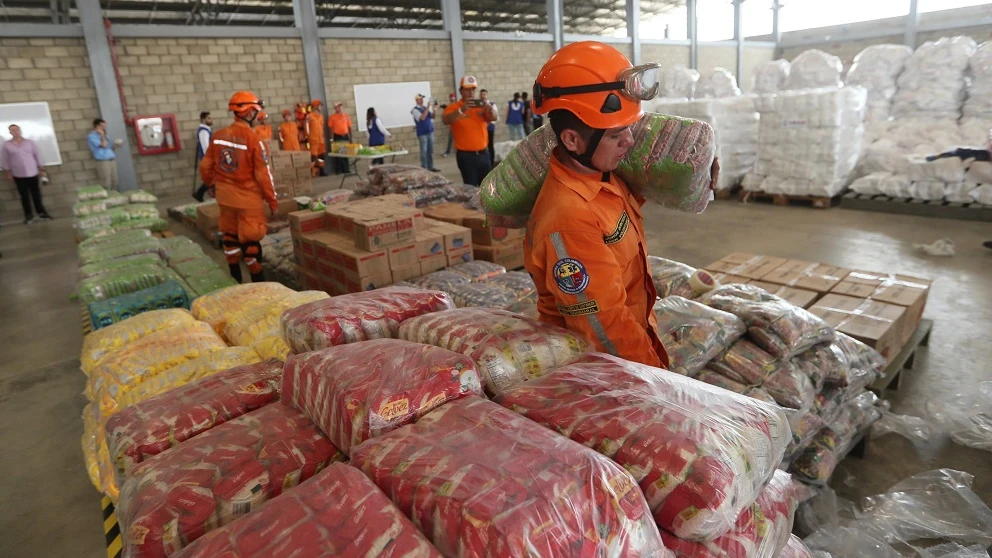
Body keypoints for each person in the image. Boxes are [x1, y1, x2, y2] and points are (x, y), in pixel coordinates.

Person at [523, 41, 719, 368]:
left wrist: (699, 169)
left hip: (639, 334)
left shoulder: (602, 174)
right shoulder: (569, 220)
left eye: (630, 128)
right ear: (572, 139)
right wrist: (659, 381)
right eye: (616, 135)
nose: (629, 141)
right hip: (608, 371)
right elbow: (605, 329)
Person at [199, 91, 277, 284]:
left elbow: (205, 166)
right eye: (255, 111)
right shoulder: (254, 140)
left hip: (225, 198)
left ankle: (235, 282)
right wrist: (272, 200)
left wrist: (211, 184)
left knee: (231, 239)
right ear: (249, 112)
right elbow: (263, 175)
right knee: (251, 244)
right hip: (248, 201)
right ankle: (259, 286)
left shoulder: (217, 136)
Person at [443, 77, 498, 186]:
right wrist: (461, 110)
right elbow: (446, 120)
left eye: (473, 89)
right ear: (461, 91)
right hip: (466, 157)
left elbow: (494, 118)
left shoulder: (480, 106)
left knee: (487, 188)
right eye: (468, 90)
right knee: (470, 188)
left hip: (484, 154)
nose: (471, 92)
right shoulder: (453, 107)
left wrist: (490, 110)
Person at [2, 124, 51, 224]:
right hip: (18, 174)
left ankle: (42, 213)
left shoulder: (30, 143)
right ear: (10, 132)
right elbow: (5, 159)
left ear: (20, 131)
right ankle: (28, 215)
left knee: (36, 194)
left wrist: (42, 169)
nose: (15, 131)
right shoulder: (7, 145)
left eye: (17, 129)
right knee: (24, 196)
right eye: (13, 130)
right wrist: (8, 173)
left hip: (32, 172)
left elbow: (37, 155)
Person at [87, 118, 121, 190]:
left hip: (111, 159)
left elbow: (109, 148)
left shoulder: (106, 136)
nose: (104, 128)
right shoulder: (92, 136)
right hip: (103, 161)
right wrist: (102, 135)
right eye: (103, 126)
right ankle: (107, 197)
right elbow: (103, 145)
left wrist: (116, 145)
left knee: (114, 180)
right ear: (97, 126)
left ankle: (115, 196)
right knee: (106, 182)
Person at [411, 94, 439, 172]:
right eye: (420, 99)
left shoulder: (424, 108)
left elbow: (433, 117)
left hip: (430, 131)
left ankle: (431, 166)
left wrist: (435, 109)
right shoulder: (414, 110)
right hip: (422, 133)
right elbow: (422, 118)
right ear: (416, 100)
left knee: (430, 150)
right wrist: (427, 107)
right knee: (424, 150)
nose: (422, 100)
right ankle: (424, 167)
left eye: (422, 99)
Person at [192, 111, 213, 201]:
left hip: (207, 158)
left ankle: (200, 193)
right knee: (212, 178)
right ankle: (199, 193)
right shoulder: (203, 131)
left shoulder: (206, 130)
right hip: (207, 158)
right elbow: (206, 147)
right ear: (203, 120)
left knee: (212, 178)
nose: (210, 120)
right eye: (208, 118)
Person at [328, 102, 352, 174]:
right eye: (338, 107)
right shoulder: (332, 117)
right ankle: (339, 170)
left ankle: (346, 169)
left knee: (346, 153)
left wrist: (350, 137)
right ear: (335, 108)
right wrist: (331, 138)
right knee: (339, 153)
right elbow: (330, 128)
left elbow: (349, 127)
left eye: (340, 107)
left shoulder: (346, 116)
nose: (340, 108)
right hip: (337, 136)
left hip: (345, 136)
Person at [307, 99, 327, 176]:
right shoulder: (309, 116)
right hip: (313, 140)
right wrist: (309, 138)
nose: (321, 107)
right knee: (313, 157)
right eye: (320, 105)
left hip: (321, 140)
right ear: (315, 106)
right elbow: (307, 129)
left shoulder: (321, 116)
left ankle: (322, 171)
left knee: (321, 156)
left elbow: (321, 128)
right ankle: (311, 172)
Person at [480, 89, 499, 167]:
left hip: (490, 129)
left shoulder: (492, 104)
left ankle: (491, 163)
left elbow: (496, 117)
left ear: (487, 95)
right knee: (483, 146)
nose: (483, 96)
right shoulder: (477, 106)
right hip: (481, 130)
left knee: (490, 145)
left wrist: (489, 121)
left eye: (484, 94)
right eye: (481, 94)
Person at [442, 92, 456, 157]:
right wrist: (445, 108)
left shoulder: (457, 105)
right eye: (451, 97)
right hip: (452, 125)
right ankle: (448, 152)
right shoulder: (449, 105)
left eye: (453, 97)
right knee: (450, 139)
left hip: (458, 125)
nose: (452, 98)